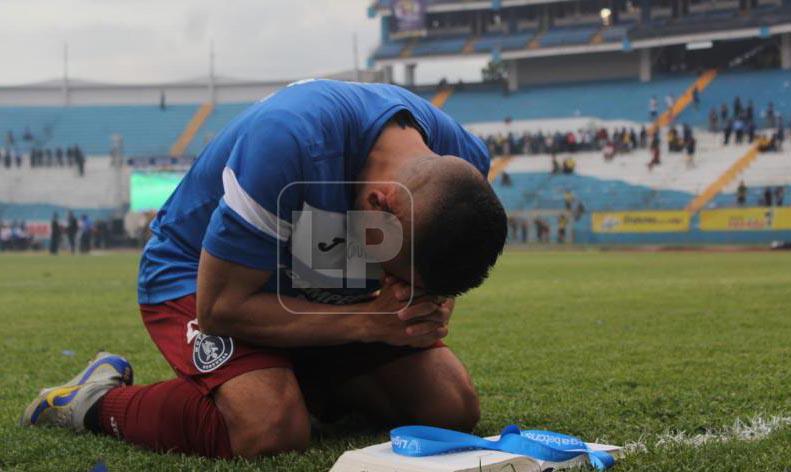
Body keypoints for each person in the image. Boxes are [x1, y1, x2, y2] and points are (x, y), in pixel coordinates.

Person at [20, 79, 508, 459]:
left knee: (449, 407)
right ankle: (90, 400)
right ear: (381, 204)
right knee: (269, 429)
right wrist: (368, 322)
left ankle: (299, 380)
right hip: (199, 275)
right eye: (396, 271)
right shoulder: (291, 140)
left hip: (314, 275)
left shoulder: (460, 162)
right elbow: (221, 309)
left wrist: (431, 305)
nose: (396, 285)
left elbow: (438, 263)